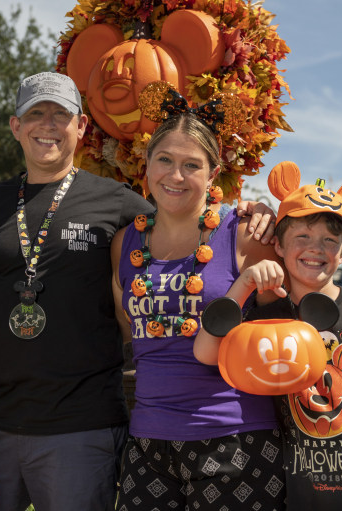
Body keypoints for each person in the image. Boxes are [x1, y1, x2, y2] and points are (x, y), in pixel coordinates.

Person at [0, 71, 275, 510]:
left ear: (81, 127)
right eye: (36, 113)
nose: (48, 124)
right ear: (16, 126)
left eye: (61, 115)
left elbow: (185, 216)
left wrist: (256, 209)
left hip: (89, 426)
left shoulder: (120, 206)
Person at [194, 162, 342, 510]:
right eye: (302, 237)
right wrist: (244, 282)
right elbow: (205, 351)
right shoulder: (267, 320)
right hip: (302, 500)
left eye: (330, 240)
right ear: (278, 246)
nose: (316, 248)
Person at [111, 84, 286, 510]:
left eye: (192, 165)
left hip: (235, 439)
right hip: (148, 440)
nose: (175, 176)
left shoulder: (244, 235)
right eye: (164, 160)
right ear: (146, 165)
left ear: (212, 174)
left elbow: (282, 329)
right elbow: (126, 330)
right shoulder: (124, 243)